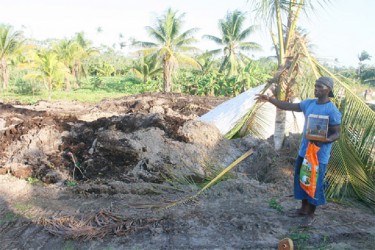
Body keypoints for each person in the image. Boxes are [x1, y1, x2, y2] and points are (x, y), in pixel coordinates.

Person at [256, 76, 341, 227]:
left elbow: (336, 133)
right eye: (315, 85)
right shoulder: (308, 104)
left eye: (320, 86)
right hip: (305, 152)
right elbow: (287, 106)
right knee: (302, 179)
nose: (316, 88)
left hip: (319, 155)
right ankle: (303, 209)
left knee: (314, 183)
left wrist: (324, 140)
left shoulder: (332, 110)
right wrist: (269, 99)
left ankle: (311, 214)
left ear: (328, 89)